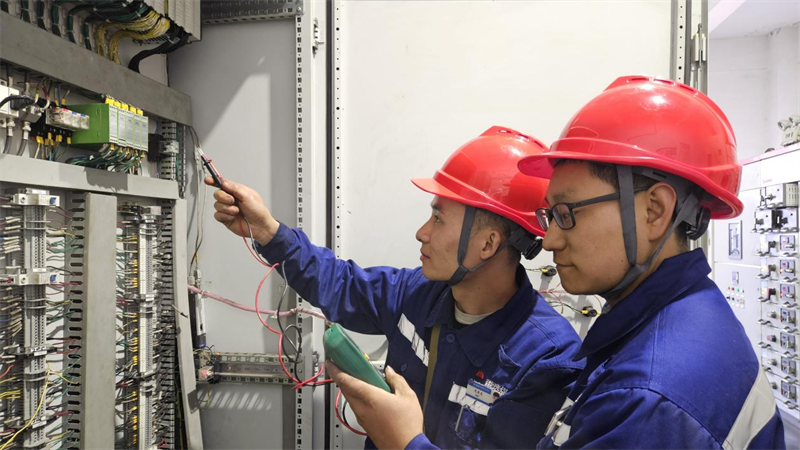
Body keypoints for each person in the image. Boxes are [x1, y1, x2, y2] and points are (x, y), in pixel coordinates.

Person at [209, 127, 583, 449]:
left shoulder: (546, 359)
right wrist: (268, 231)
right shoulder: (417, 292)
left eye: (438, 219)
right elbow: (339, 283)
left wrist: (407, 443)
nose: (422, 233)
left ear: (488, 244)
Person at [514, 75, 785, 449]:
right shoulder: (686, 315)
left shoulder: (649, 400)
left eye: (566, 213)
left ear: (655, 211)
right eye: (551, 215)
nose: (549, 240)